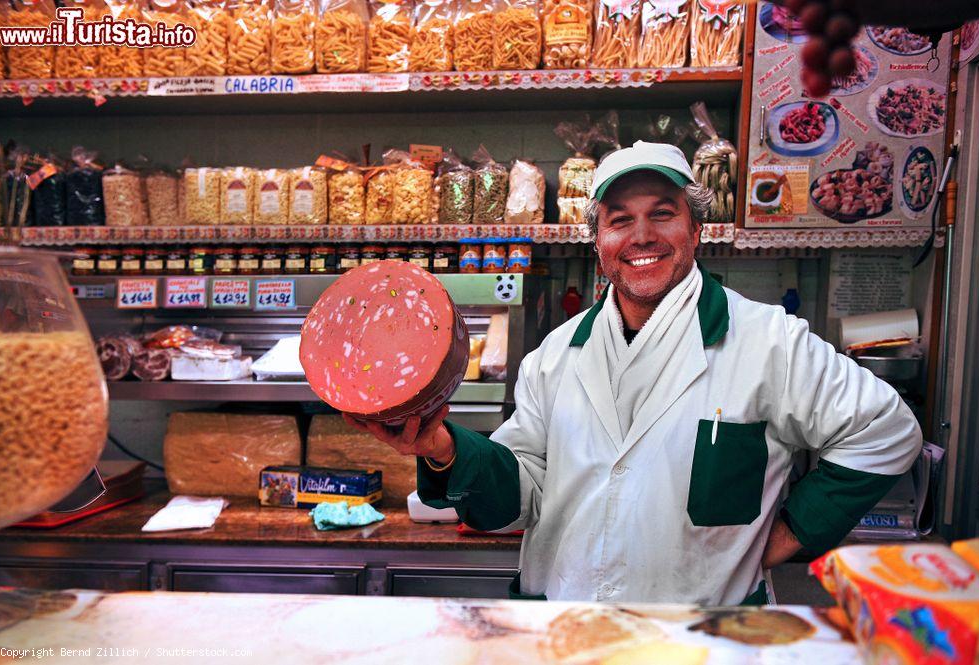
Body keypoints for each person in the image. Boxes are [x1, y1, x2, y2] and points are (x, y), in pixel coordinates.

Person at [345, 142, 922, 605]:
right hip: (569, 624)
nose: (641, 236)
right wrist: (443, 448)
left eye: (662, 215)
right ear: (599, 244)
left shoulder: (769, 340)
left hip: (699, 632)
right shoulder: (555, 356)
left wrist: (794, 533)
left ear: (696, 231)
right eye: (620, 220)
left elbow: (888, 430)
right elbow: (517, 499)